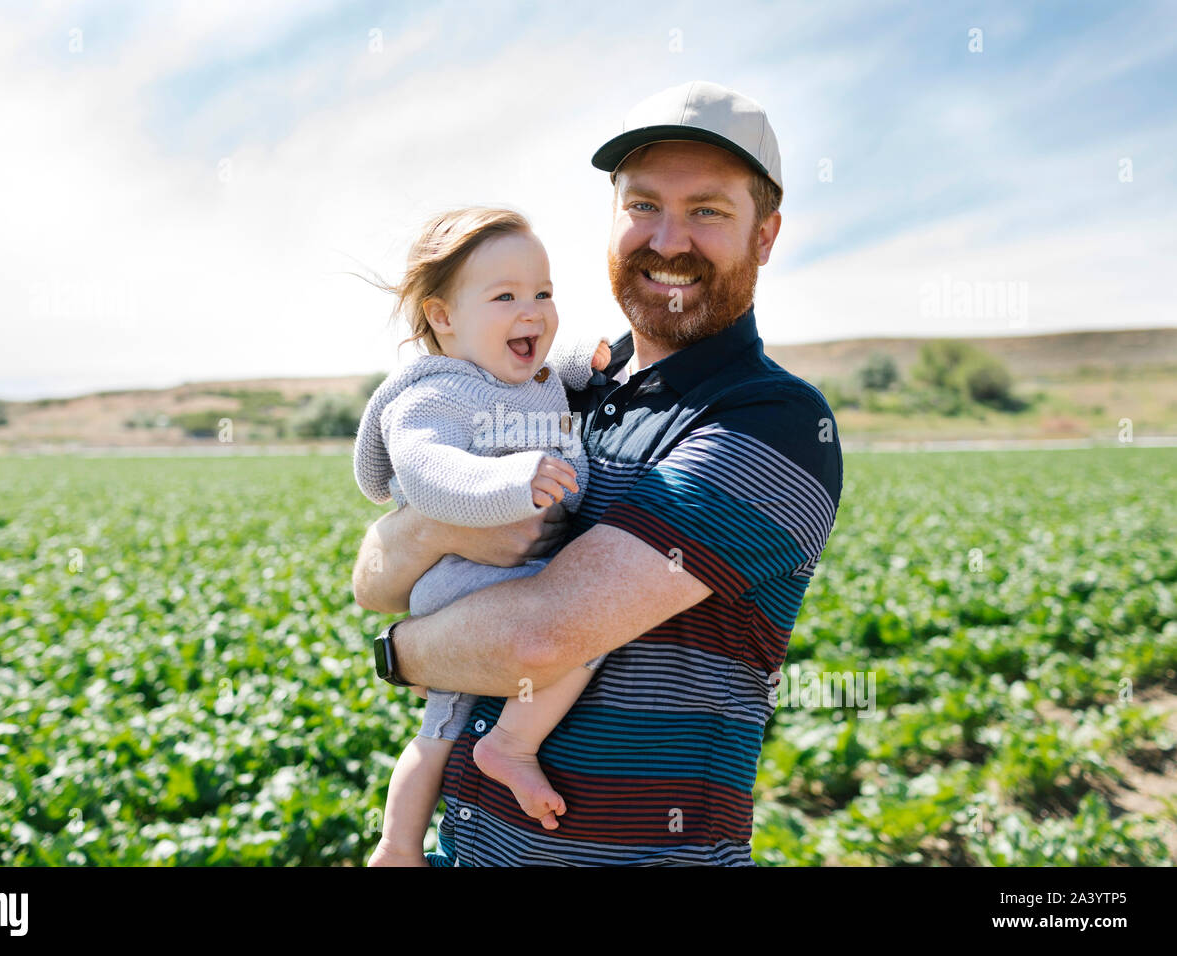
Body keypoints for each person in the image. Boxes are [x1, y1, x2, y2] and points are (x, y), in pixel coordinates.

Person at [356, 80, 844, 865]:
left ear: (766, 235)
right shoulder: (558, 383)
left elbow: (540, 639)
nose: (668, 239)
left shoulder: (771, 422)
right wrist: (435, 522)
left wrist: (396, 653)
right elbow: (373, 578)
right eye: (643, 205)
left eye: (708, 211)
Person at [352, 206, 612, 867]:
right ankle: (510, 748)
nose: (533, 312)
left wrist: (591, 358)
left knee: (436, 732)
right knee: (588, 635)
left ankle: (396, 846)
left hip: (500, 580)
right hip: (464, 584)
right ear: (443, 317)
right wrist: (512, 482)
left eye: (544, 294)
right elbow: (430, 474)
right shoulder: (434, 396)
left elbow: (558, 379)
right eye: (506, 297)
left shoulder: (526, 376)